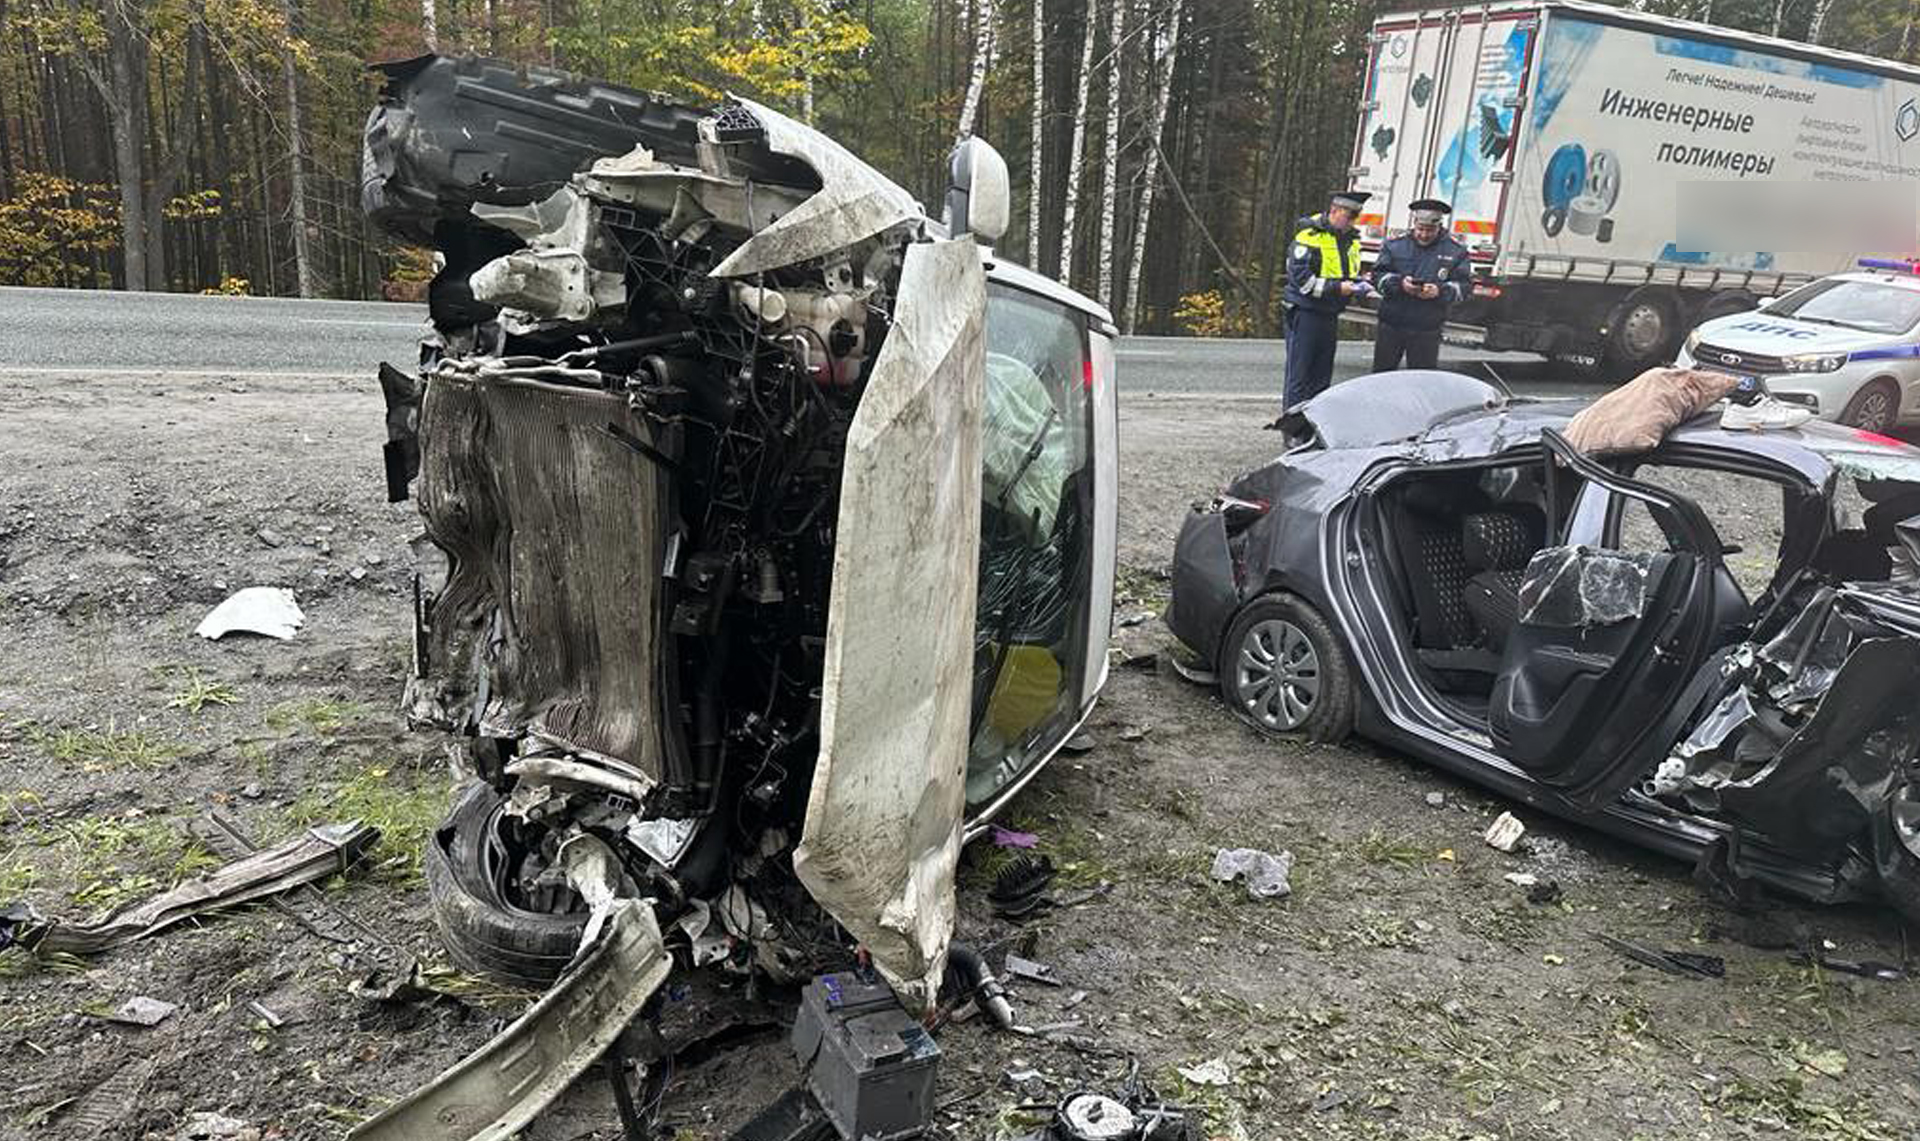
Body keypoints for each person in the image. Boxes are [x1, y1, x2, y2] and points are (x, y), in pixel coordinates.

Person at [1274, 190, 1374, 423]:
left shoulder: (1350, 240)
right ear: (1334, 211)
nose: (1352, 222)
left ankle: (1316, 425)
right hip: (1305, 312)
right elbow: (1303, 281)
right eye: (1349, 216)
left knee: (1321, 376)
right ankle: (1293, 429)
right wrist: (1339, 289)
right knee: (1300, 375)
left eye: (1355, 217)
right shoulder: (1308, 236)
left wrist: (1361, 285)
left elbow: (1347, 273)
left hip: (1330, 313)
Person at [1369, 198, 1471, 371]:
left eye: (1430, 230)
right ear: (1414, 223)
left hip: (1427, 328)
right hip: (1392, 325)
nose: (1424, 234)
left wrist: (1439, 291)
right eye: (1420, 229)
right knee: (1381, 377)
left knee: (1422, 381)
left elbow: (1464, 288)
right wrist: (1400, 284)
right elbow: (1377, 277)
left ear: (1439, 226)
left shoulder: (1456, 251)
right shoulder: (1394, 245)